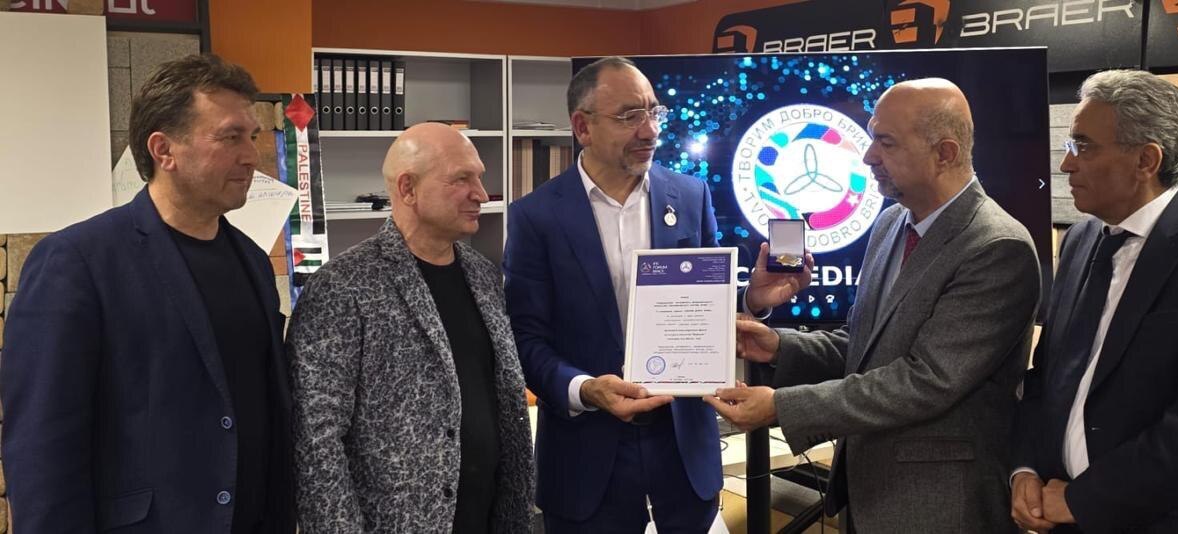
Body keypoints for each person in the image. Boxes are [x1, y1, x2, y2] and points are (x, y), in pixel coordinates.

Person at [708, 78, 1041, 533]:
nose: (867, 157)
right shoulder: (891, 224)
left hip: (942, 506)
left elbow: (925, 380)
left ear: (944, 153)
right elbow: (865, 345)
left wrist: (782, 406)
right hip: (870, 491)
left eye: (886, 142)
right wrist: (780, 347)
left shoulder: (997, 247)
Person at [0, 54, 295, 533]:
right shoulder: (77, 262)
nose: (251, 156)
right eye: (230, 137)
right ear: (164, 150)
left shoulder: (252, 261)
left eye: (252, 136)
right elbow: (41, 448)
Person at [1010, 70, 1178, 533]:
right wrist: (1026, 468)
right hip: (1069, 512)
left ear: (1146, 160)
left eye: (1083, 146)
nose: (1066, 164)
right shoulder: (1080, 241)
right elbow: (1048, 376)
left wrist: (1086, 499)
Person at [503, 56, 724, 533]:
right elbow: (524, 340)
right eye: (629, 116)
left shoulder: (691, 196)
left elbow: (708, 310)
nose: (650, 131)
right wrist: (586, 389)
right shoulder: (535, 217)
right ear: (582, 127)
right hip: (586, 456)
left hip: (683, 452)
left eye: (654, 112)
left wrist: (755, 302)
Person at [288, 123, 534, 533]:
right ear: (407, 189)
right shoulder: (343, 286)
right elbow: (315, 440)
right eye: (461, 179)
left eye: (479, 177)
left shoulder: (482, 275)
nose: (479, 193)